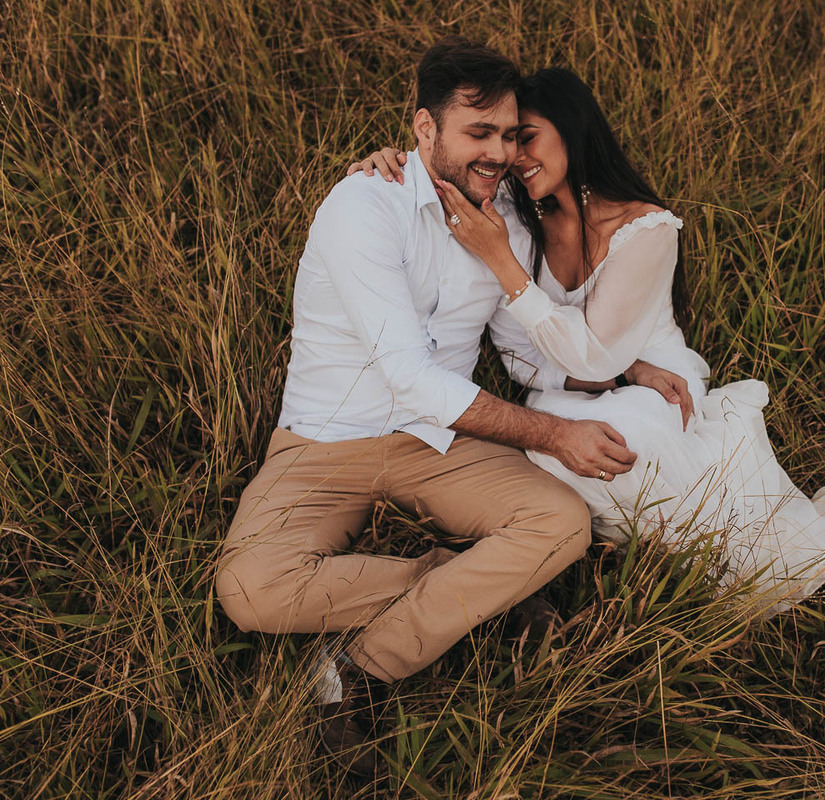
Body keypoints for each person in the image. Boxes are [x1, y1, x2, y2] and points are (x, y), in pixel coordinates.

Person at [214, 41, 691, 779]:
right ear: (425, 128)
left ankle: (357, 668)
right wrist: (553, 434)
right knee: (248, 590)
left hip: (439, 443)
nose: (498, 153)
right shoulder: (362, 206)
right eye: (478, 133)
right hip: (322, 444)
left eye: (507, 133)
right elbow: (408, 376)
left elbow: (522, 351)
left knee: (560, 525)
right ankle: (463, 581)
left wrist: (623, 367)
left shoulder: (506, 224)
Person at [349, 68, 825, 621]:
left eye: (526, 137)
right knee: (546, 449)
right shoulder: (520, 210)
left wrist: (504, 264)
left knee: (628, 437)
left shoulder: (646, 229)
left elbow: (597, 354)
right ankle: (591, 549)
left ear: (572, 130)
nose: (513, 156)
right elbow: (518, 355)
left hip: (655, 378)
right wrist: (391, 163)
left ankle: (694, 559)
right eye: (510, 140)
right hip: (570, 383)